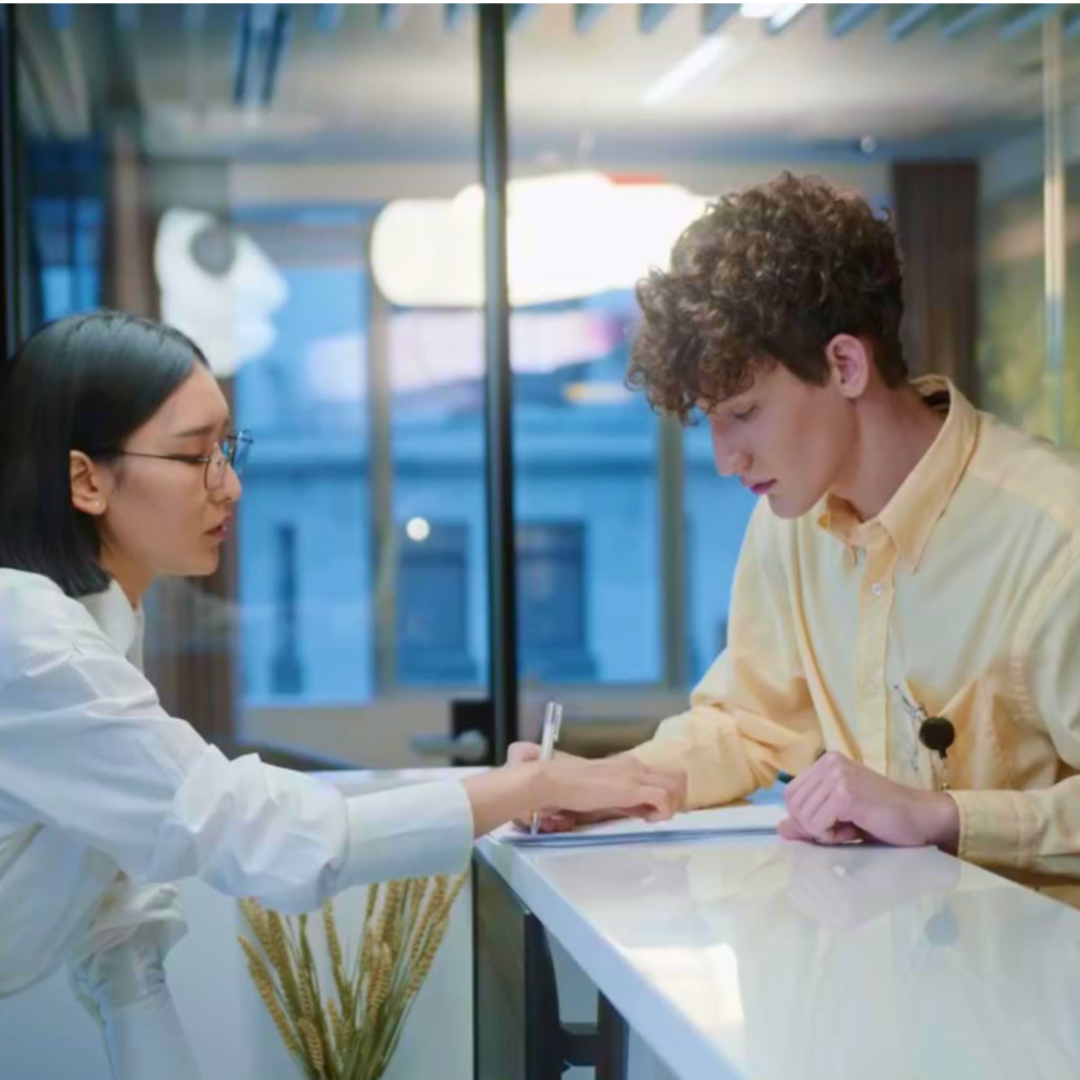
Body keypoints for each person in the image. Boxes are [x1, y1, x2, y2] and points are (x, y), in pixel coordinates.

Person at [0, 310, 686, 1078]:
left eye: (226, 448)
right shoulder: (26, 638)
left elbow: (121, 941)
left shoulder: (101, 629)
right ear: (85, 479)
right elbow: (255, 832)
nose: (230, 485)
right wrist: (525, 785)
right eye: (196, 455)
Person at [514, 172, 1080, 905]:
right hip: (877, 978)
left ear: (845, 365)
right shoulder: (790, 526)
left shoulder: (1056, 534)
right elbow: (749, 723)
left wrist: (943, 815)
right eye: (709, 423)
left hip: (1039, 1000)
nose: (725, 460)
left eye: (744, 413)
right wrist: (606, 785)